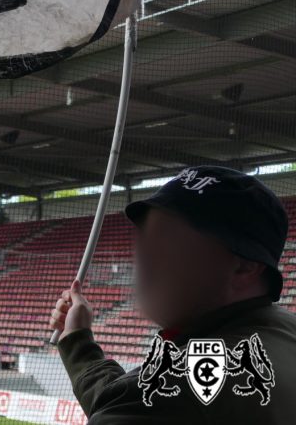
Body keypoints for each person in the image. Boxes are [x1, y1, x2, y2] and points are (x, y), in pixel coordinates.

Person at [49, 166, 295, 423]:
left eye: (169, 237)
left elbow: (146, 403)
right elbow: (130, 402)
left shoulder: (178, 391)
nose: (142, 255)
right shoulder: (284, 333)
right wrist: (78, 341)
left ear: (245, 265)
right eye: (146, 235)